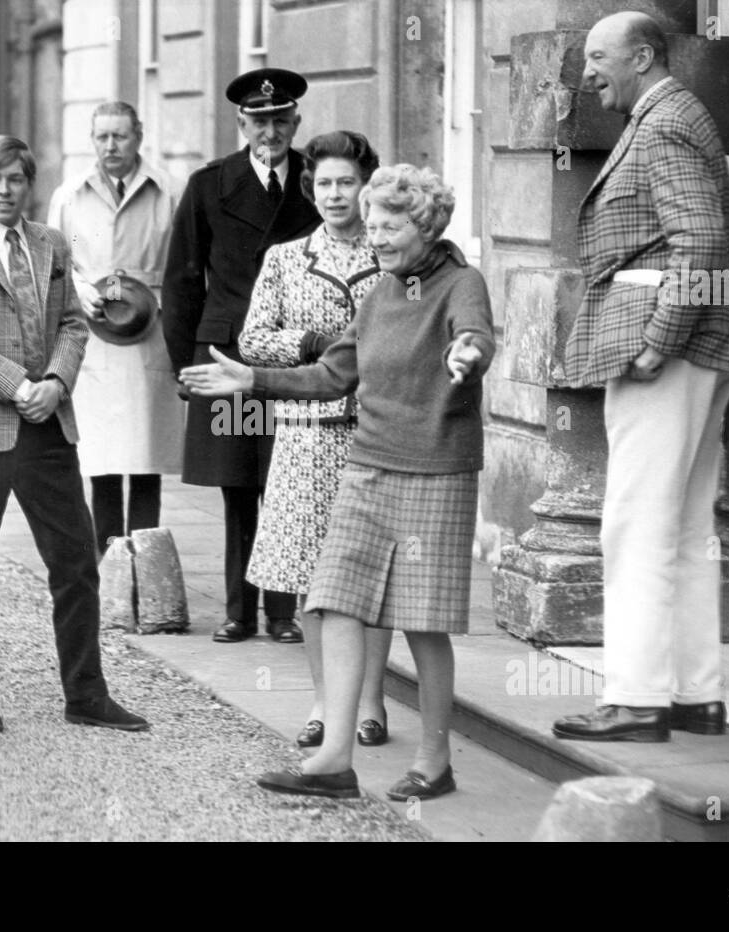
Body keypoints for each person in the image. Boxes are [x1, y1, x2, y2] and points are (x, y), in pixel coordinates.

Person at [182, 164, 495, 801]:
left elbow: (475, 334)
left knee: (422, 621)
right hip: (368, 465)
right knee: (332, 602)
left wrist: (467, 354)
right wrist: (251, 381)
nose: (375, 236)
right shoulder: (379, 295)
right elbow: (331, 376)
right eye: (372, 224)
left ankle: (435, 761)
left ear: (427, 225)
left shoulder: (462, 282)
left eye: (389, 225)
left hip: (434, 468)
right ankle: (333, 759)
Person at [553, 12, 729, 743]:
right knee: (689, 526)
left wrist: (657, 343)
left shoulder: (662, 123)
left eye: (599, 57)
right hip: (702, 346)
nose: (587, 71)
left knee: (635, 523)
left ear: (643, 55)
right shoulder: (673, 114)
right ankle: (695, 696)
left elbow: (700, 242)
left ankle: (636, 699)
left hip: (667, 349)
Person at [0, 134, 148, 734]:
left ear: (29, 185)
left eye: (16, 180)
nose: (4, 191)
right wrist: (21, 387)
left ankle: (86, 694)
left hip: (47, 424)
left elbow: (74, 324)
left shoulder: (50, 243)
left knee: (76, 561)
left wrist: (55, 383)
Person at [237, 130, 394, 749]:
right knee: (311, 575)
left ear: (366, 187)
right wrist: (311, 344)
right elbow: (253, 340)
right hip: (306, 435)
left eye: (346, 183)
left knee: (373, 578)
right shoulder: (285, 259)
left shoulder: (393, 257)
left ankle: (371, 704)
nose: (335, 194)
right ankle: (327, 705)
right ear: (311, 188)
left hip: (377, 435)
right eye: (324, 183)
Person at [163, 68, 321, 644]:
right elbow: (181, 280)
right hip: (228, 359)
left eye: (281, 121)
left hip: (292, 361)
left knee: (286, 479)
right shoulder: (210, 185)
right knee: (238, 486)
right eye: (260, 122)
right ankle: (238, 611)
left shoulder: (316, 183)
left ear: (295, 123)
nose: (271, 132)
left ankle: (283, 614)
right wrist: (188, 367)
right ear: (242, 124)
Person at [46, 101, 184, 550]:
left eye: (120, 135)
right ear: (92, 140)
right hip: (95, 337)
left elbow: (185, 265)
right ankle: (108, 569)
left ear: (139, 135)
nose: (110, 146)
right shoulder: (70, 195)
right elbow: (54, 262)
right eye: (102, 136)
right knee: (101, 460)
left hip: (150, 332)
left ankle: (146, 567)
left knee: (146, 460)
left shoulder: (168, 191)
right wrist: (80, 288)